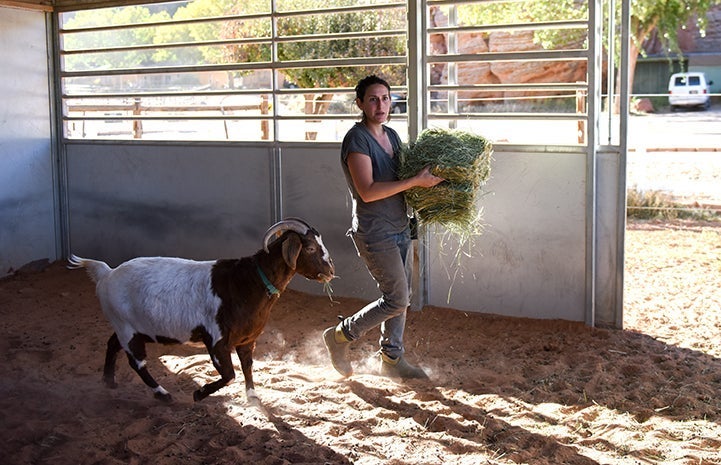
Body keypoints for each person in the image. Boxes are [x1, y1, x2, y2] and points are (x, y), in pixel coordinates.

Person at [323, 75, 444, 379]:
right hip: (375, 231)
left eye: (386, 98)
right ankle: (339, 336)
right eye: (373, 99)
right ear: (360, 103)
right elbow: (368, 190)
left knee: (402, 296)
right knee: (397, 298)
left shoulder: (391, 135)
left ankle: (391, 358)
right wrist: (416, 181)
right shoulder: (357, 140)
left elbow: (401, 181)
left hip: (400, 225)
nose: (381, 105)